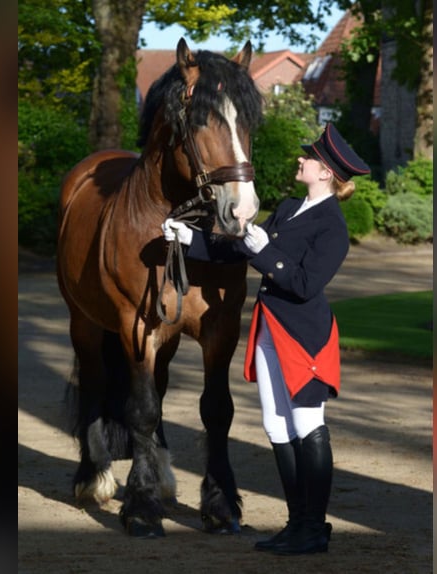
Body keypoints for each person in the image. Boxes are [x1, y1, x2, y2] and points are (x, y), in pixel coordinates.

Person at [161, 123, 370, 555]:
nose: (301, 159)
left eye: (309, 157)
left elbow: (304, 284)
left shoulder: (333, 227)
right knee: (276, 426)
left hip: (304, 335)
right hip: (270, 328)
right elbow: (237, 248)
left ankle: (313, 528)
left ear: (326, 173)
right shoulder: (291, 207)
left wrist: (263, 250)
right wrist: (190, 240)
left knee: (307, 425)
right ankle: (296, 525)